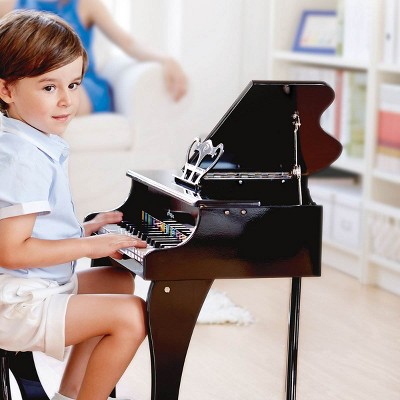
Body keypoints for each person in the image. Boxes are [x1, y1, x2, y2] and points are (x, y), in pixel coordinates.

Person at [0, 9, 149, 400]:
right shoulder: (23, 157)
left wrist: (82, 229)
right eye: (49, 87)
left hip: (32, 287)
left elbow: (25, 229)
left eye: (74, 84)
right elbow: (11, 250)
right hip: (16, 303)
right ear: (7, 90)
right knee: (131, 316)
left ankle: (70, 393)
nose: (67, 101)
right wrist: (90, 247)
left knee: (118, 280)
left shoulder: (25, 138)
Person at [0, 0, 188, 115]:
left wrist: (165, 59)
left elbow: (128, 42)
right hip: (34, 81)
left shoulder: (86, 3)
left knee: (55, 97)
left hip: (82, 84)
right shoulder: (8, 5)